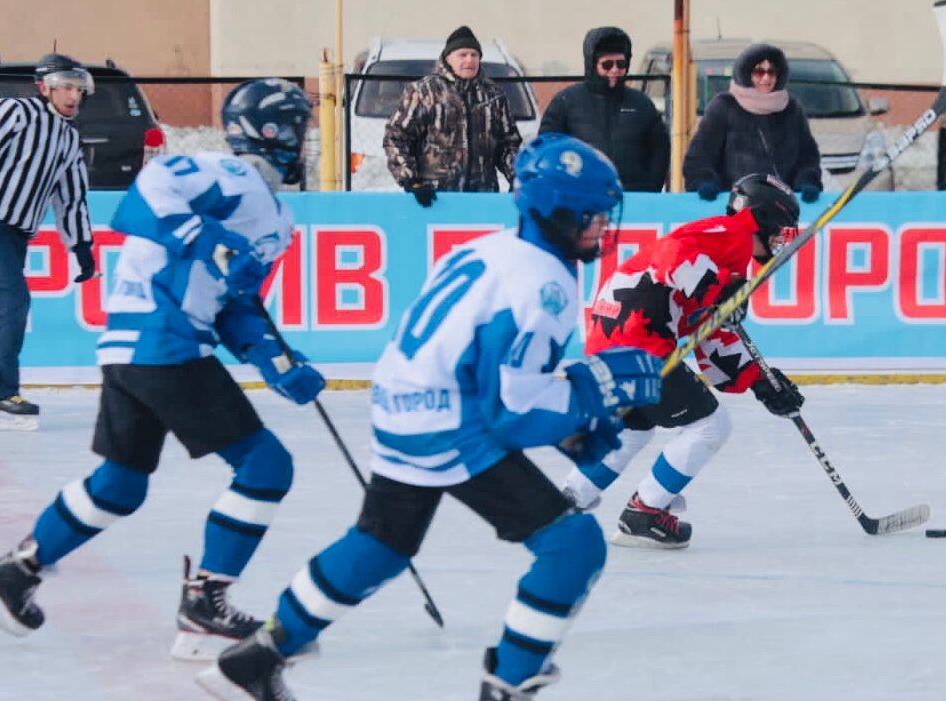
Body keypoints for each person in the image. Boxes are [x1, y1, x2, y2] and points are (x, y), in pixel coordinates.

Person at [195, 133, 664, 701]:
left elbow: (489, 375)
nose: (600, 228)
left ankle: (254, 661)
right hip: (449, 424)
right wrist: (589, 399)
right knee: (574, 547)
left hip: (400, 403)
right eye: (591, 215)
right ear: (554, 212)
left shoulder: (487, 248)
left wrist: (571, 419)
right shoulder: (545, 283)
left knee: (381, 544)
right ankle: (510, 684)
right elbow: (510, 413)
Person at [0, 78, 327, 662]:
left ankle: (14, 573)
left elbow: (236, 304)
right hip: (166, 341)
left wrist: (276, 358)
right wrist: (200, 234)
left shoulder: (275, 217)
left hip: (133, 347)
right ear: (275, 131)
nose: (305, 137)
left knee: (120, 484)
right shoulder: (226, 176)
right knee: (266, 466)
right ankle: (206, 604)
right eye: (301, 125)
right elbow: (146, 195)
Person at [560, 173, 806, 549]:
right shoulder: (731, 233)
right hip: (637, 335)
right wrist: (719, 288)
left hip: (616, 335)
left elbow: (709, 334)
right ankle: (645, 512)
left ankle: (569, 499)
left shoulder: (732, 262)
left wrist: (760, 381)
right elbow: (670, 254)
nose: (781, 239)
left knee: (636, 427)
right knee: (711, 425)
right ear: (764, 216)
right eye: (782, 228)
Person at [0, 52, 97, 430]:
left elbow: (71, 197)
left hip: (16, 233)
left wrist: (82, 248)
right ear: (45, 88)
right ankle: (0, 396)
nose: (74, 96)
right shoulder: (14, 111)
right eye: (66, 88)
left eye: (78, 89)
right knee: (10, 301)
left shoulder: (69, 137)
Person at [384, 25, 522, 207]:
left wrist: (517, 176)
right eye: (462, 55)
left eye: (474, 55)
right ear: (448, 58)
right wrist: (411, 180)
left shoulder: (494, 96)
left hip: (482, 200)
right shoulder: (424, 92)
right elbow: (396, 137)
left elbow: (508, 144)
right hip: (435, 200)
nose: (469, 60)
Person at [683, 43, 822, 204]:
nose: (766, 78)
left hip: (782, 206)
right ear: (746, 73)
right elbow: (700, 156)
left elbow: (807, 156)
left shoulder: (791, 109)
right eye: (759, 72)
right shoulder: (724, 107)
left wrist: (807, 180)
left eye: (772, 72)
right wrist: (704, 181)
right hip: (735, 205)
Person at [539, 26, 668, 192]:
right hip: (582, 200)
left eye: (621, 64)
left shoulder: (641, 104)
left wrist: (650, 188)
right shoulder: (566, 102)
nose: (614, 70)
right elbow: (547, 149)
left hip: (633, 199)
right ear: (593, 65)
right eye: (607, 64)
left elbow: (660, 151)